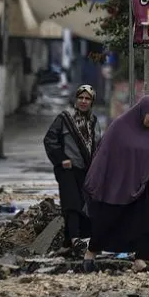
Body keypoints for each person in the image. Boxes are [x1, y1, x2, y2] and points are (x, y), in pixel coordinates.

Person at [82, 95, 149, 273]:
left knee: (146, 222)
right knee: (108, 218)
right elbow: (105, 153)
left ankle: (141, 259)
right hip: (119, 183)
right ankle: (91, 253)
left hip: (144, 185)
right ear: (142, 112)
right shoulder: (120, 126)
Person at [43, 85, 101, 253]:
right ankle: (76, 239)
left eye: (87, 98)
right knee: (71, 203)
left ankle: (69, 242)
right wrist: (62, 159)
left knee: (85, 204)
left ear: (92, 102)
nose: (83, 101)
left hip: (86, 170)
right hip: (67, 170)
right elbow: (49, 140)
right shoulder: (64, 118)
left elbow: (98, 146)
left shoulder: (93, 122)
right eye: (80, 98)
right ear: (76, 100)